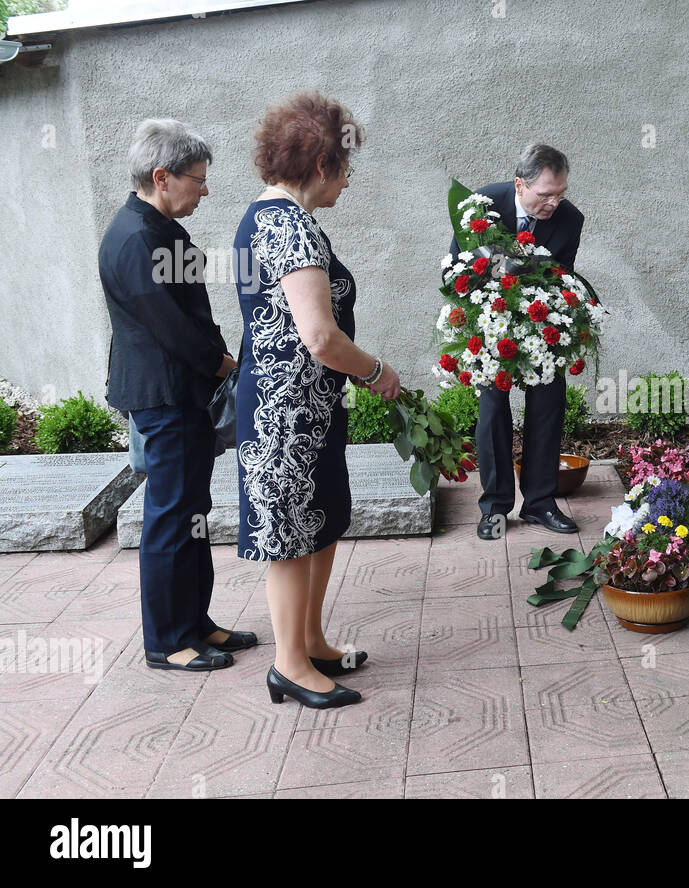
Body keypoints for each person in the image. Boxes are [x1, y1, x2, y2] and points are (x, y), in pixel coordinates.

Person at [234, 92, 400, 709]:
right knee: (291, 537)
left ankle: (310, 642)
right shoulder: (289, 225)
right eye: (348, 168)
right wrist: (378, 370)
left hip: (302, 409)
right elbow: (323, 338)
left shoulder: (267, 217)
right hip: (285, 416)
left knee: (320, 524)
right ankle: (289, 667)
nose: (349, 182)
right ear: (323, 164)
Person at [99, 119, 254, 672]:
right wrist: (222, 363)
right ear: (162, 177)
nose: (205, 190)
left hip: (184, 394)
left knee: (194, 510)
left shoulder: (163, 228)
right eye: (198, 179)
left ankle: (198, 623)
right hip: (165, 396)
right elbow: (171, 327)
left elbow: (194, 311)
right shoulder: (137, 236)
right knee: (170, 515)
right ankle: (166, 641)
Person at [449, 143, 583, 541]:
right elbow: (457, 266)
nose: (554, 203)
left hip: (539, 326)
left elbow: (563, 279)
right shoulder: (483, 203)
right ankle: (494, 506)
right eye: (545, 194)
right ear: (520, 184)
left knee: (549, 403)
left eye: (560, 193)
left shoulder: (570, 219)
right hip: (490, 324)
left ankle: (540, 503)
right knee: (492, 410)